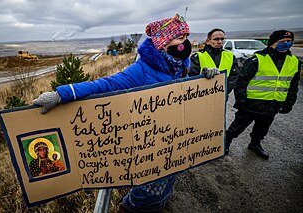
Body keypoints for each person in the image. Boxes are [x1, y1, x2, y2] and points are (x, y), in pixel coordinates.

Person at [33, 13, 219, 212]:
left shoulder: (180, 64)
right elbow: (106, 85)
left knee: (167, 181)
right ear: (163, 42)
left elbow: (186, 90)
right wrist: (62, 94)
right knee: (150, 191)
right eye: (181, 38)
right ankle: (129, 208)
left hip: (171, 141)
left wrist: (205, 79)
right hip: (148, 143)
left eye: (186, 37)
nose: (186, 43)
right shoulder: (141, 69)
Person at [225, 30, 301, 159]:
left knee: (262, 128)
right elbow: (241, 82)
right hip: (251, 103)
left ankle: (255, 144)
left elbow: (293, 85)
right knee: (237, 127)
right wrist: (241, 101)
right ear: (272, 43)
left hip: (273, 104)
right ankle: (225, 143)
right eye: (282, 42)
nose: (286, 44)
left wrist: (289, 102)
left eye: (289, 42)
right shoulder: (257, 59)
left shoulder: (294, 61)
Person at [189, 28, 239, 95]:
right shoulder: (198, 56)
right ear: (208, 41)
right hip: (202, 95)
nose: (220, 42)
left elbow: (234, 77)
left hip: (223, 95)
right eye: (216, 39)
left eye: (222, 39)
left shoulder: (230, 56)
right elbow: (191, 78)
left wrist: (224, 91)